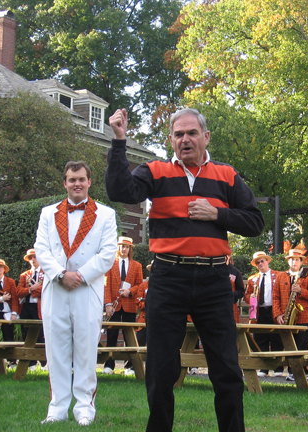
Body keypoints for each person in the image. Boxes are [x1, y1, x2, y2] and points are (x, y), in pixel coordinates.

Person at [106, 108, 264, 432]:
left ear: (206, 137)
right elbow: (120, 192)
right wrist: (119, 141)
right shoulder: (155, 171)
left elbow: (255, 222)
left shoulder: (226, 175)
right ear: (171, 140)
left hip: (214, 280)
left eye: (192, 133)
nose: (185, 139)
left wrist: (217, 214)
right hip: (167, 278)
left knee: (227, 369)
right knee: (161, 369)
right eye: (178, 134)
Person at [35, 160, 117, 426]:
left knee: (85, 349)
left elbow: (107, 254)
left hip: (87, 290)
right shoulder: (48, 213)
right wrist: (60, 275)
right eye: (72, 179)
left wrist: (79, 276)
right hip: (55, 288)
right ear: (65, 183)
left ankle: (84, 408)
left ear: (89, 182)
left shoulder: (105, 214)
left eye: (81, 179)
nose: (77, 183)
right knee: (55, 350)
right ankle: (57, 408)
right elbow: (41, 249)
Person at [102, 236, 144, 375]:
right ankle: (109, 365)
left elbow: (140, 285)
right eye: (121, 246)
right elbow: (106, 286)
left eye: (127, 247)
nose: (124, 249)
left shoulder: (137, 266)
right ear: (117, 248)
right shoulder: (109, 264)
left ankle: (130, 366)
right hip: (113, 306)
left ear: (130, 249)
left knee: (129, 336)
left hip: (129, 305)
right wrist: (107, 305)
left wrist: (130, 291)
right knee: (111, 335)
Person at [273, 248, 308, 381]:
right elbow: (275, 297)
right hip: (286, 316)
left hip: (303, 316)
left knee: (302, 344)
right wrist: (278, 314)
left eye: (297, 259)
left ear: (301, 262)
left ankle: (303, 372)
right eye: (291, 259)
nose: (294, 262)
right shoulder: (281, 276)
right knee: (290, 345)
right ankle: (292, 372)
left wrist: (301, 290)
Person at [244, 251, 289, 377]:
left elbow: (283, 295)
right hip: (259, 312)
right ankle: (263, 368)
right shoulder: (252, 279)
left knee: (277, 339)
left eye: (262, 261)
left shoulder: (279, 275)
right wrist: (250, 297)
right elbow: (247, 297)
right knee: (260, 339)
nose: (260, 264)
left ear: (267, 261)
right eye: (258, 262)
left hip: (274, 310)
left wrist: (281, 313)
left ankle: (278, 368)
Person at [17, 249, 47, 371]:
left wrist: (33, 290)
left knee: (40, 334)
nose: (33, 260)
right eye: (30, 258)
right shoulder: (24, 275)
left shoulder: (46, 273)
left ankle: (44, 362)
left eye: (34, 257)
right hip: (26, 307)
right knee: (26, 333)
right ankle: (30, 363)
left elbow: (46, 291)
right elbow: (18, 292)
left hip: (39, 307)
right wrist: (30, 289)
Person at [226, 255, 244, 323]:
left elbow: (241, 291)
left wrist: (230, 295)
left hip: (231, 306)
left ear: (229, 257)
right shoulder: (214, 270)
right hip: (216, 307)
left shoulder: (235, 272)